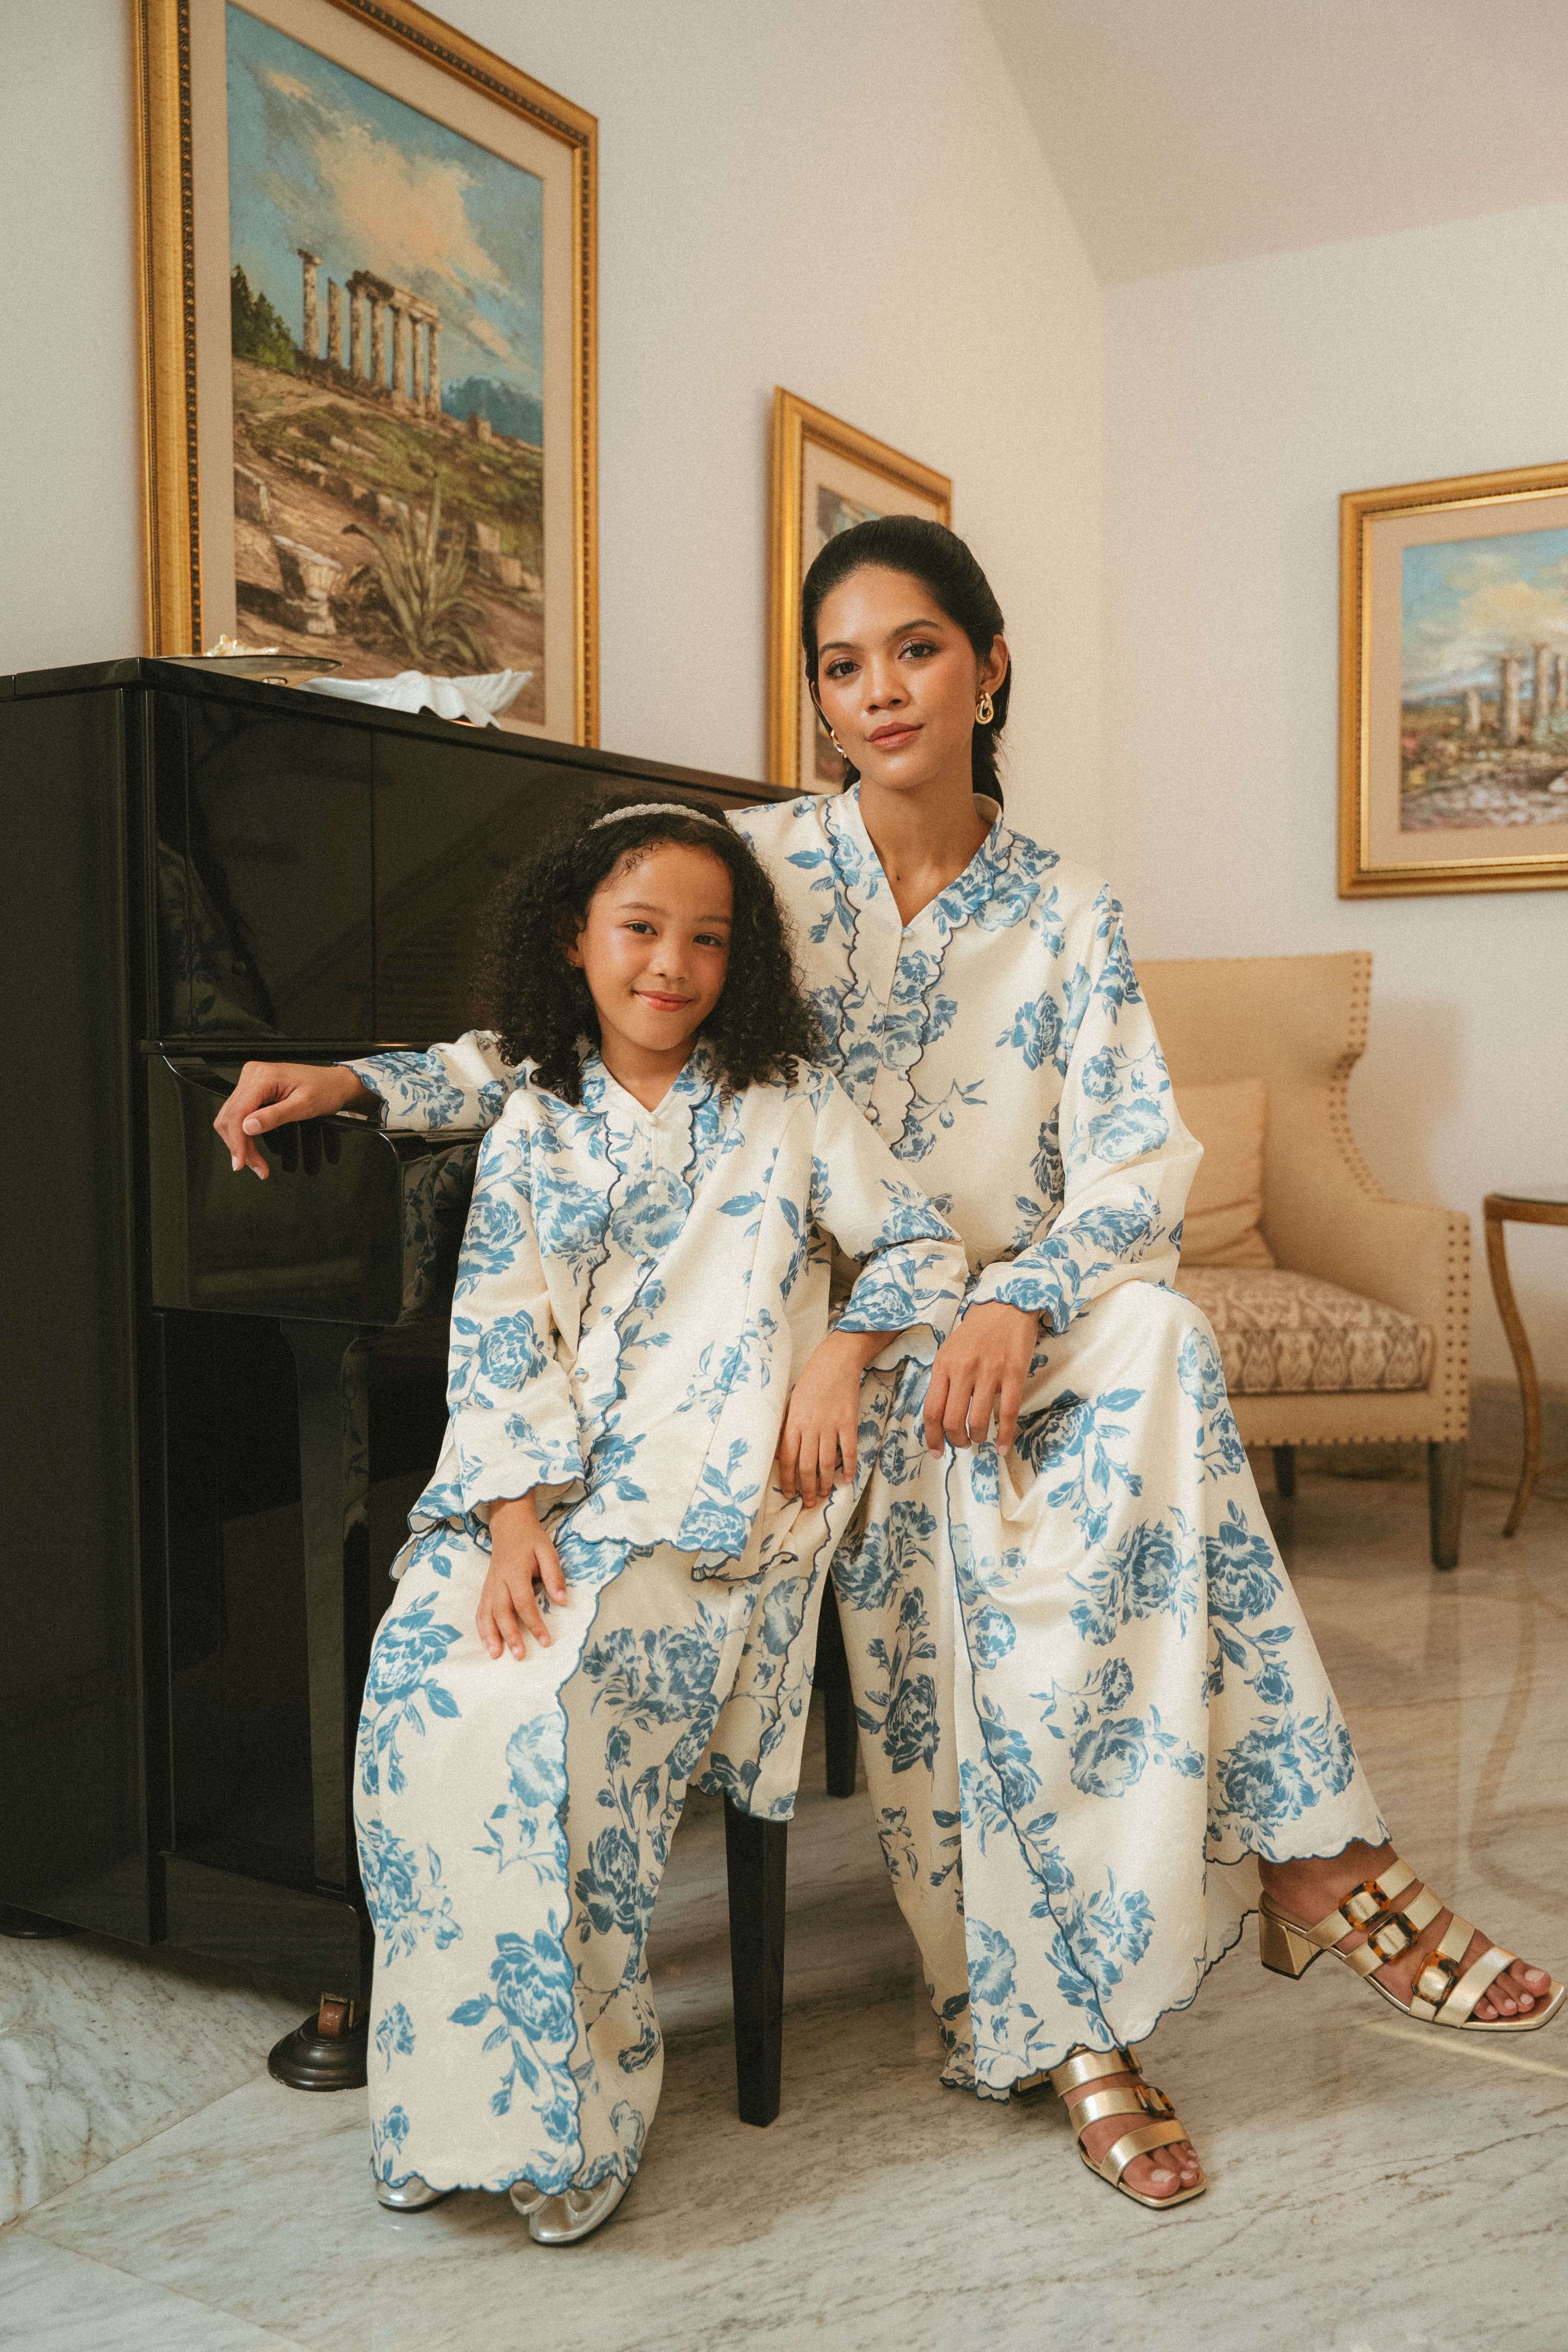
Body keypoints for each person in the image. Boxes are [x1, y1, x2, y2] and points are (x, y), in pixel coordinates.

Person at [217, 518, 1560, 2219]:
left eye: (915, 650)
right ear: (820, 699)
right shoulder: (758, 866)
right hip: (811, 1375)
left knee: (1159, 1334)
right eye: (842, 667)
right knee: (1004, 1535)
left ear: (989, 667)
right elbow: (578, 1029)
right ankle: (1238, 1912)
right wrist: (364, 1082)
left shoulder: (1067, 910)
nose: (881, 692)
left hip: (1011, 1329)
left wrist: (1019, 1298)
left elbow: (1140, 1167)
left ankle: (1258, 1888)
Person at [339, 799, 966, 2242]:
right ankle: (444, 2108)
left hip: (713, 1511)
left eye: (707, 939)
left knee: (560, 1718)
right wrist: (509, 1521)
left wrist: (840, 1355)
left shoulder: (788, 1101)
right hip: (537, 1499)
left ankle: (577, 2120)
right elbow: (502, 1330)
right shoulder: (536, 1117)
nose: (672, 965)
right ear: (577, 939)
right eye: (640, 929)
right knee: (427, 1689)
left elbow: (922, 1245)